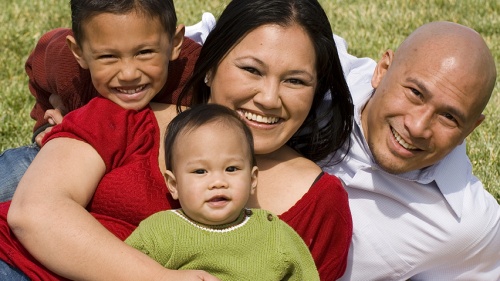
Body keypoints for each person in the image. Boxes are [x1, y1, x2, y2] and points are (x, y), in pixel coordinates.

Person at [0, 0, 353, 280]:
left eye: (295, 81)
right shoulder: (126, 116)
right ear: (210, 67)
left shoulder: (321, 205)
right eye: (251, 70)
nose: (269, 98)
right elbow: (35, 212)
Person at [319, 21, 500, 280]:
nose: (417, 127)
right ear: (382, 70)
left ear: (471, 129)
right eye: (415, 92)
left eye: (449, 116)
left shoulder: (468, 226)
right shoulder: (316, 73)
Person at [0, 12, 202, 203]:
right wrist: (47, 128)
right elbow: (39, 66)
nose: (128, 74)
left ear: (174, 43)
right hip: (66, 154)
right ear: (79, 52)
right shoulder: (68, 67)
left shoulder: (193, 74)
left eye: (145, 52)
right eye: (108, 57)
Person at [126, 103, 320, 280]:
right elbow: (124, 271)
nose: (218, 182)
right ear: (174, 185)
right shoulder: (160, 232)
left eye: (231, 169)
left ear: (252, 179)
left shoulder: (274, 234)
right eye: (200, 171)